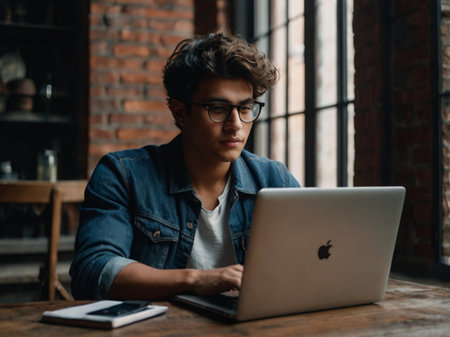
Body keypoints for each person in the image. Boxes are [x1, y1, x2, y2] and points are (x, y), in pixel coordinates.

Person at [70, 33, 300, 300]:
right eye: (218, 108)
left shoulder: (274, 179)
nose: (236, 123)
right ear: (180, 112)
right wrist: (195, 280)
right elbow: (93, 271)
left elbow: (313, 258)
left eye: (245, 108)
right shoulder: (122, 175)